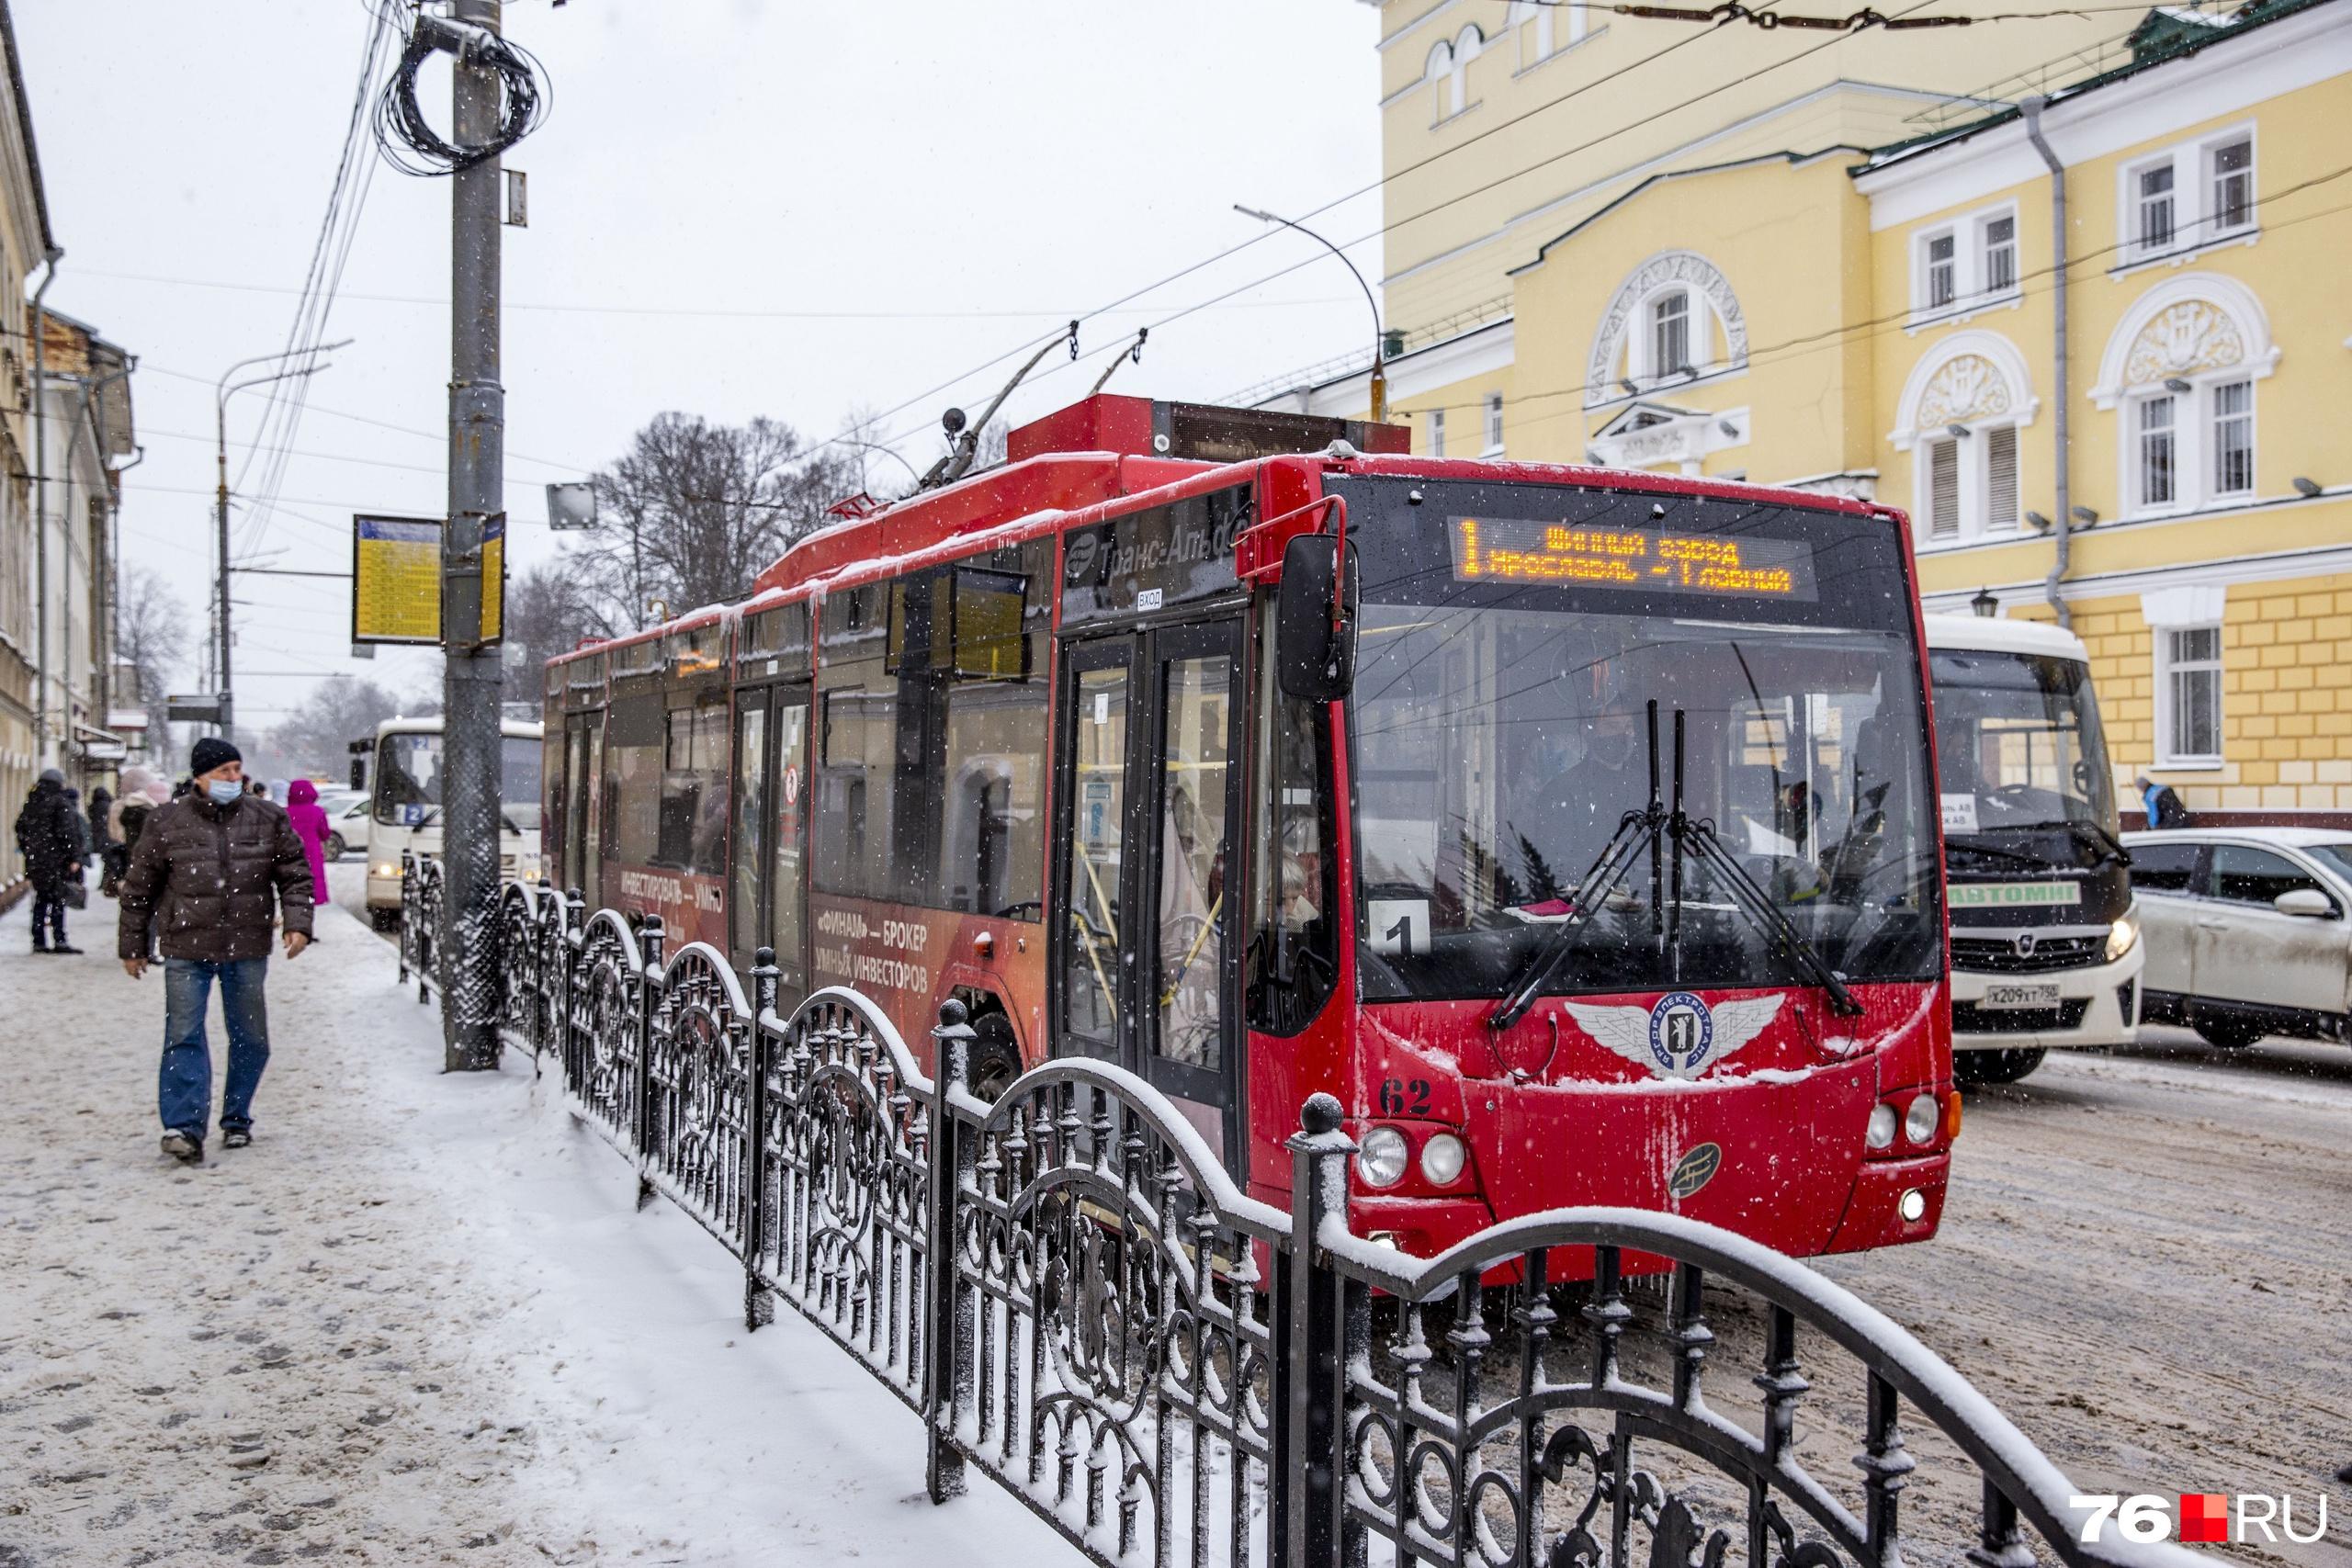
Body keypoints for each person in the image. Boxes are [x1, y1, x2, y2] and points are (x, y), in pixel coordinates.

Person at [117, 738, 314, 1165]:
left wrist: (299, 924)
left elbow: (295, 875)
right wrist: (133, 946)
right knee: (183, 1036)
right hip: (186, 946)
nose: (232, 778)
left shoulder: (267, 818)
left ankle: (237, 1117)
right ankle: (184, 1127)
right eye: (223, 771)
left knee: (250, 1037)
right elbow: (140, 889)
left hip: (246, 945)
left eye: (236, 769)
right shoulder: (167, 821)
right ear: (200, 777)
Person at [13, 769, 83, 954]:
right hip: (56, 860)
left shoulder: (32, 803)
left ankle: (38, 940)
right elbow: (67, 831)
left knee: (41, 900)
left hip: (37, 861)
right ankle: (59, 939)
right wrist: (74, 857)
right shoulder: (60, 802)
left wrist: (29, 849)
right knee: (58, 900)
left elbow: (20, 828)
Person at [284, 780, 333, 937]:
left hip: (290, 854)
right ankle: (307, 929)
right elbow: (325, 833)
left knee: (292, 890)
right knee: (311, 891)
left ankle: (292, 927)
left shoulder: (285, 813)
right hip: (312, 856)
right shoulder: (317, 812)